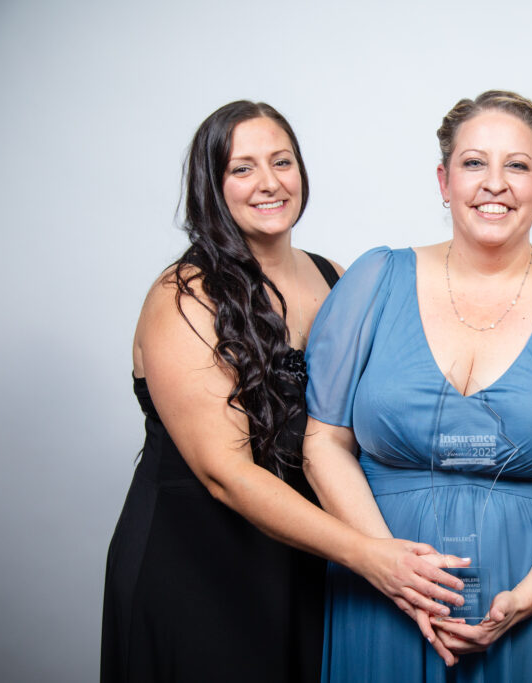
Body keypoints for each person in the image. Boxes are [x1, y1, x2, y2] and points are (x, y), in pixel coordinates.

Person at [101, 101, 466, 683]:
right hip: (196, 561)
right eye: (242, 168)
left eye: (281, 161)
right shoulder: (183, 296)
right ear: (212, 184)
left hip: (307, 557)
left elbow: (370, 418)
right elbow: (225, 472)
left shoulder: (335, 276)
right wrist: (370, 555)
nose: (269, 183)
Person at [302, 90, 532, 682]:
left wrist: (529, 597)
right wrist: (385, 564)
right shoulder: (373, 281)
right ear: (444, 180)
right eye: (473, 163)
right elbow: (323, 443)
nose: (495, 183)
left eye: (517, 165)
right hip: (382, 600)